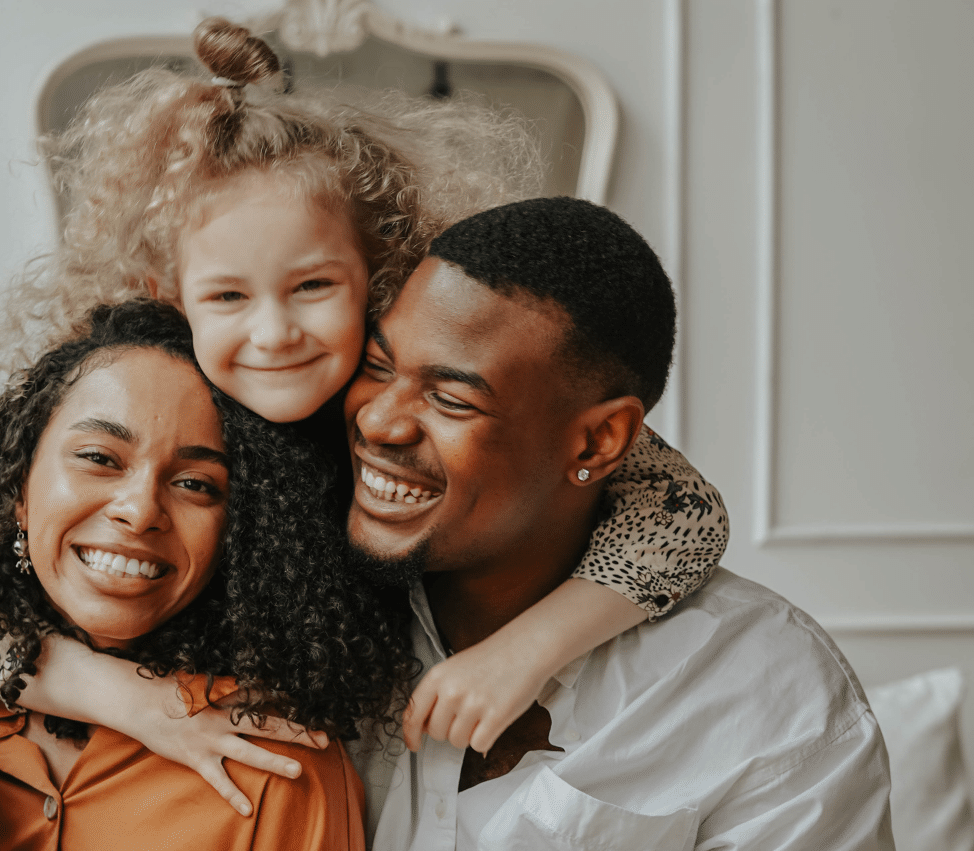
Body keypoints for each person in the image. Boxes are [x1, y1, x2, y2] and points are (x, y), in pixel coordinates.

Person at [0, 18, 728, 845]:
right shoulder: (164, 396)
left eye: (315, 287)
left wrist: (526, 650)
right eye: (227, 297)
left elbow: (682, 510)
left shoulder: (392, 408)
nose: (275, 332)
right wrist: (133, 701)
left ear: (380, 273)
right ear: (172, 296)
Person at [346, 196, 893, 849]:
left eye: (453, 398)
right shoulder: (288, 596)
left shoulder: (763, 689)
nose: (379, 420)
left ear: (601, 441)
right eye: (376, 365)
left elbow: (687, 507)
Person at [0, 299, 410, 850]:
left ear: (240, 531)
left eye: (196, 484)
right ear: (19, 488)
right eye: (99, 458)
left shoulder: (272, 765)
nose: (140, 509)